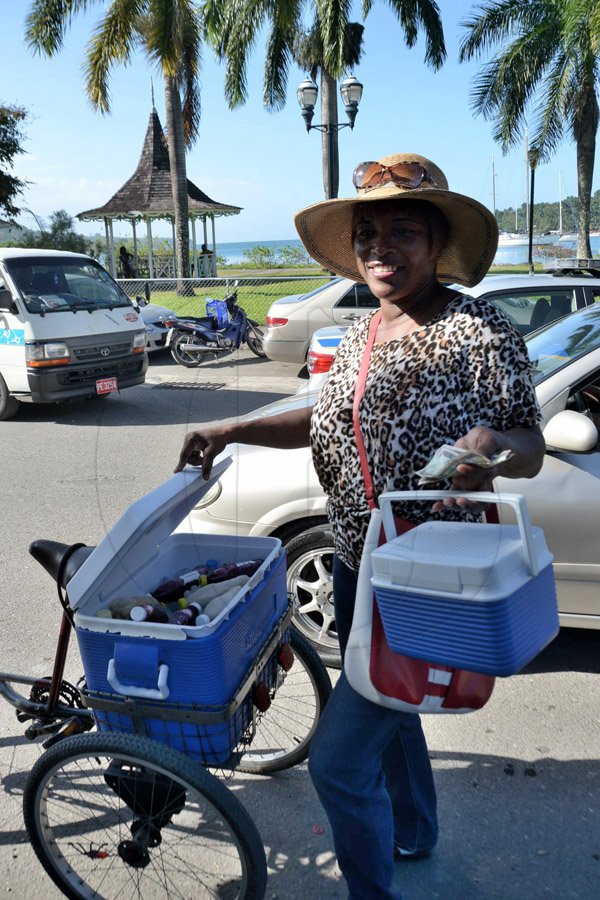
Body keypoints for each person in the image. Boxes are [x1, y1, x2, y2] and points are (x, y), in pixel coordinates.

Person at [175, 152, 545, 899]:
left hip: (426, 572)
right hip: (355, 561)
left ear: (437, 243)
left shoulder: (478, 330)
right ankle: (416, 830)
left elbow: (528, 444)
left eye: (402, 229)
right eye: (369, 232)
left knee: (340, 763)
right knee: (389, 705)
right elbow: (323, 414)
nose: (381, 246)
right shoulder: (363, 333)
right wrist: (237, 426)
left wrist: (490, 448)